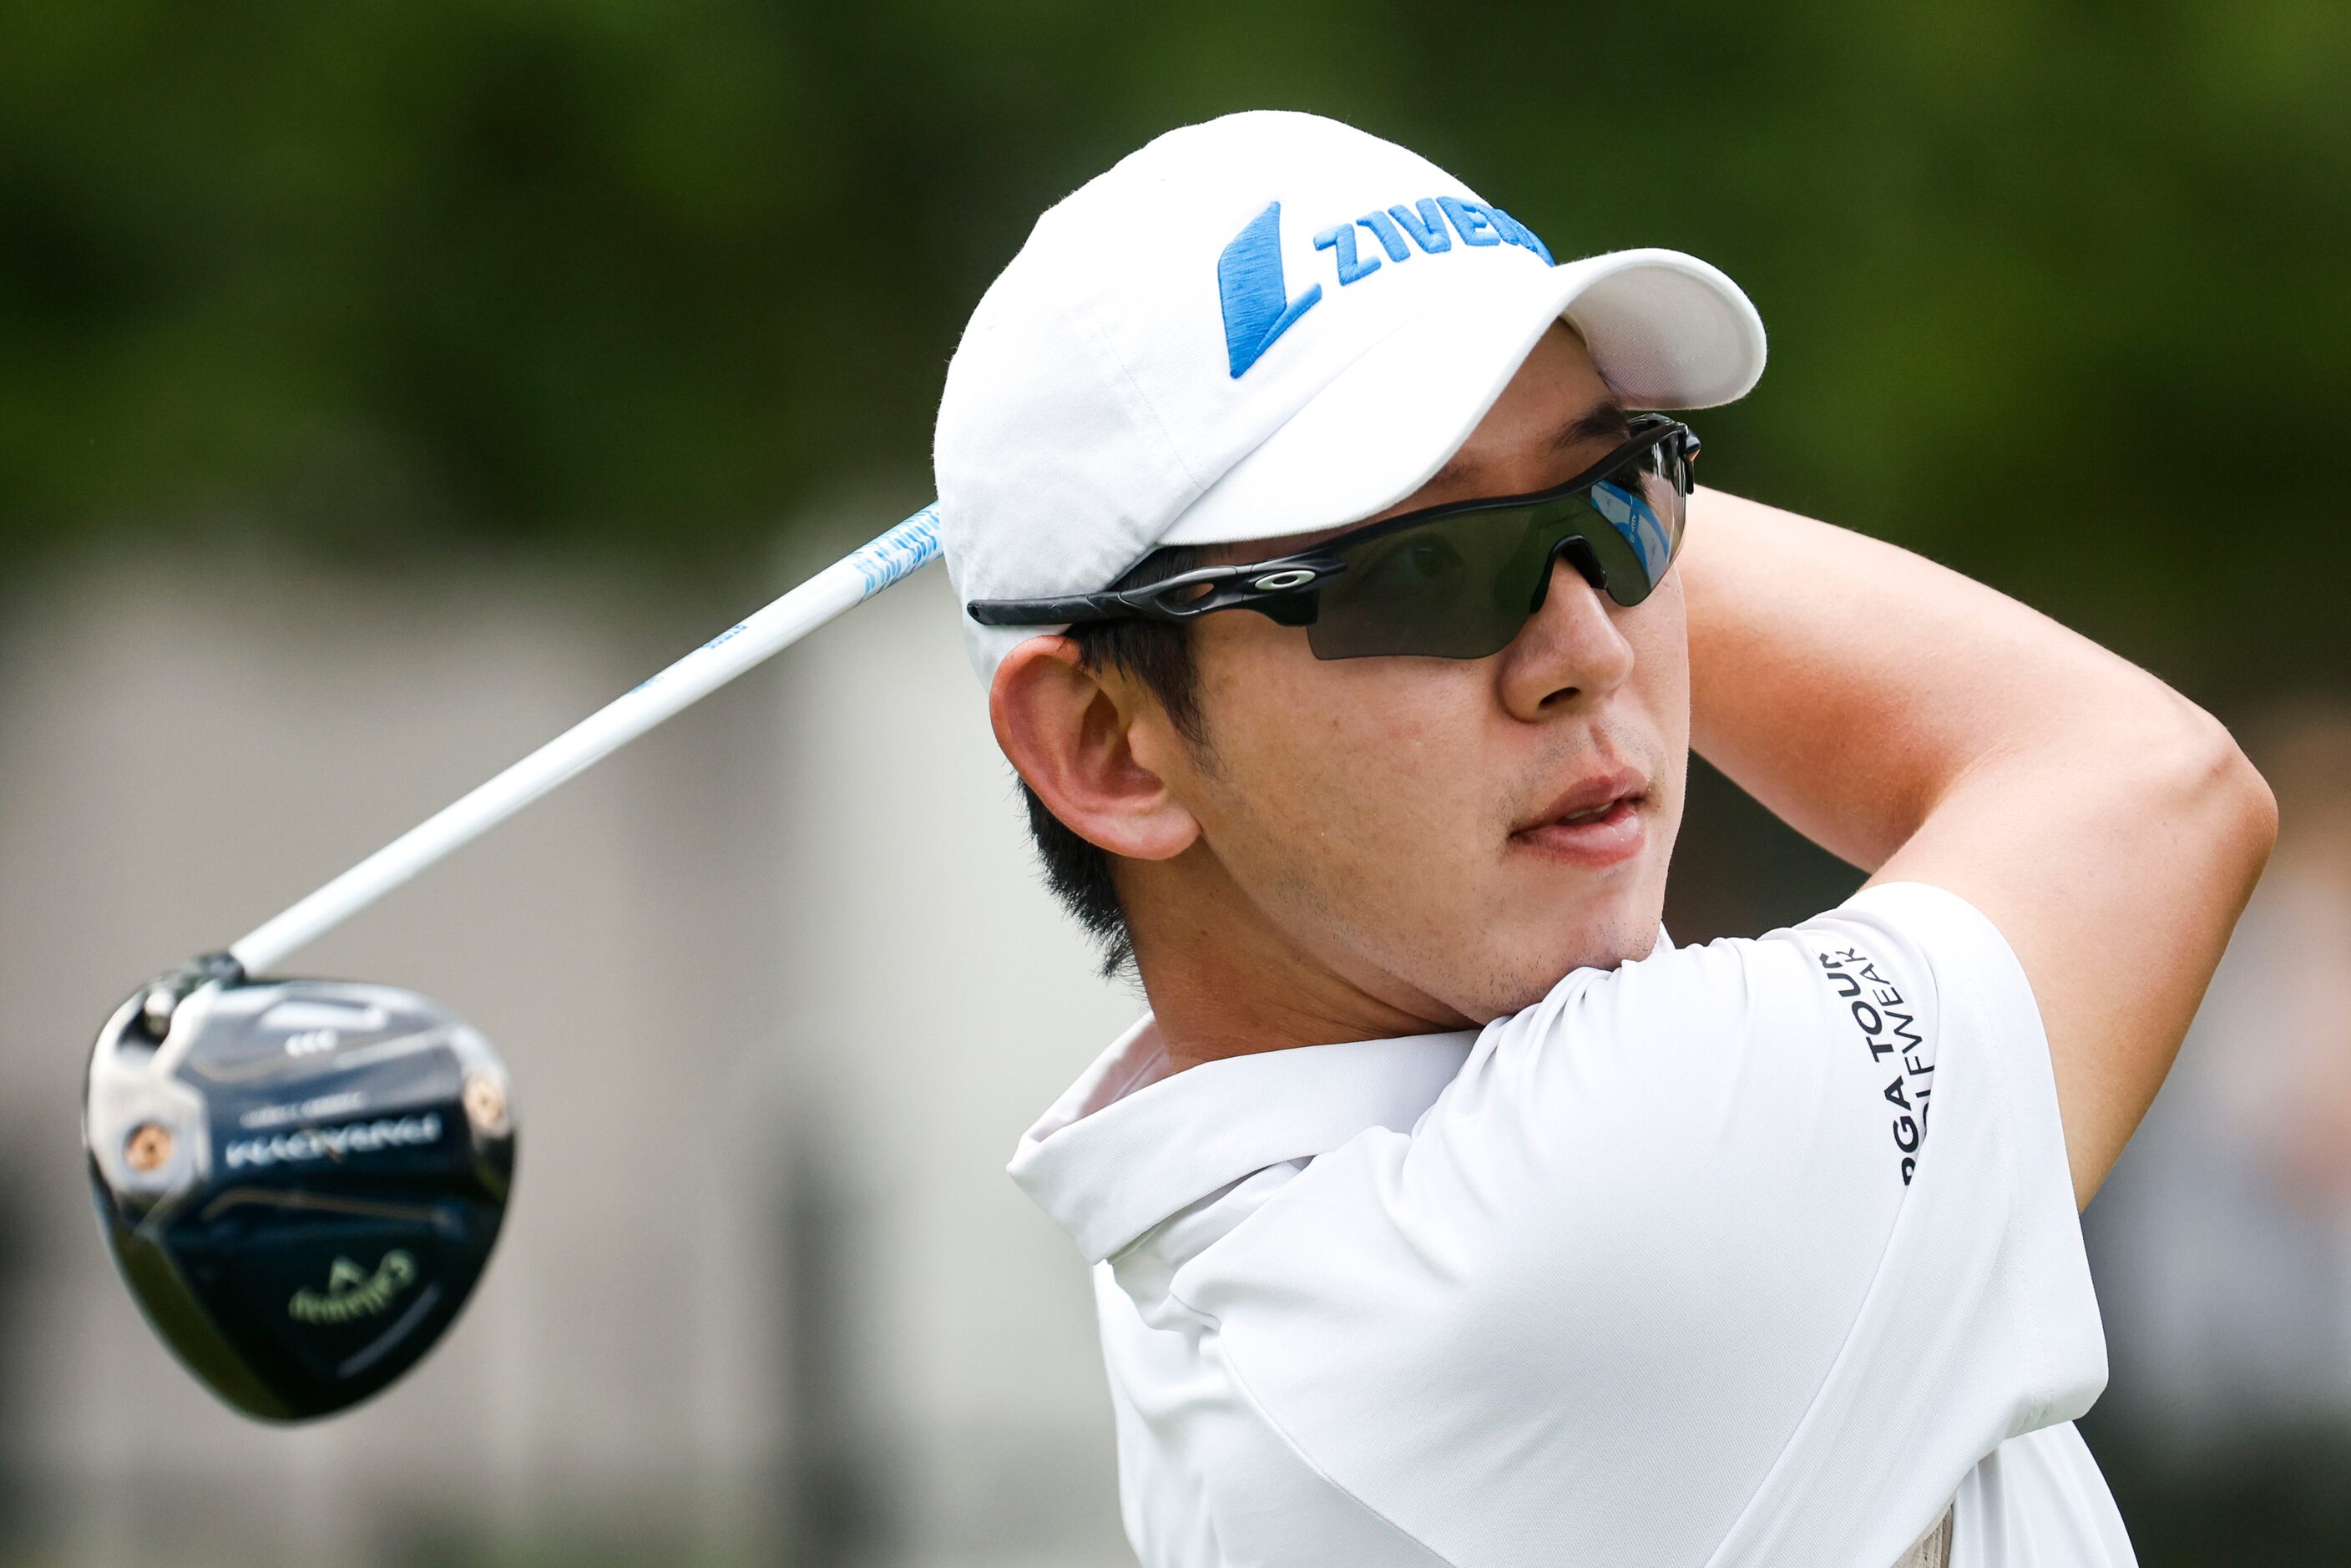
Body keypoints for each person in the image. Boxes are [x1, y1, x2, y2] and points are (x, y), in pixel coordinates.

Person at [933, 110, 2275, 1567]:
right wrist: (1557, 468)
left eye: (1627, 497)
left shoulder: (1220, 1239)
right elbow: (2148, 781)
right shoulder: (1555, 1244)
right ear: (1107, 747)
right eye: (1424, 568)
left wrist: (1487, 474)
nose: (1586, 647)